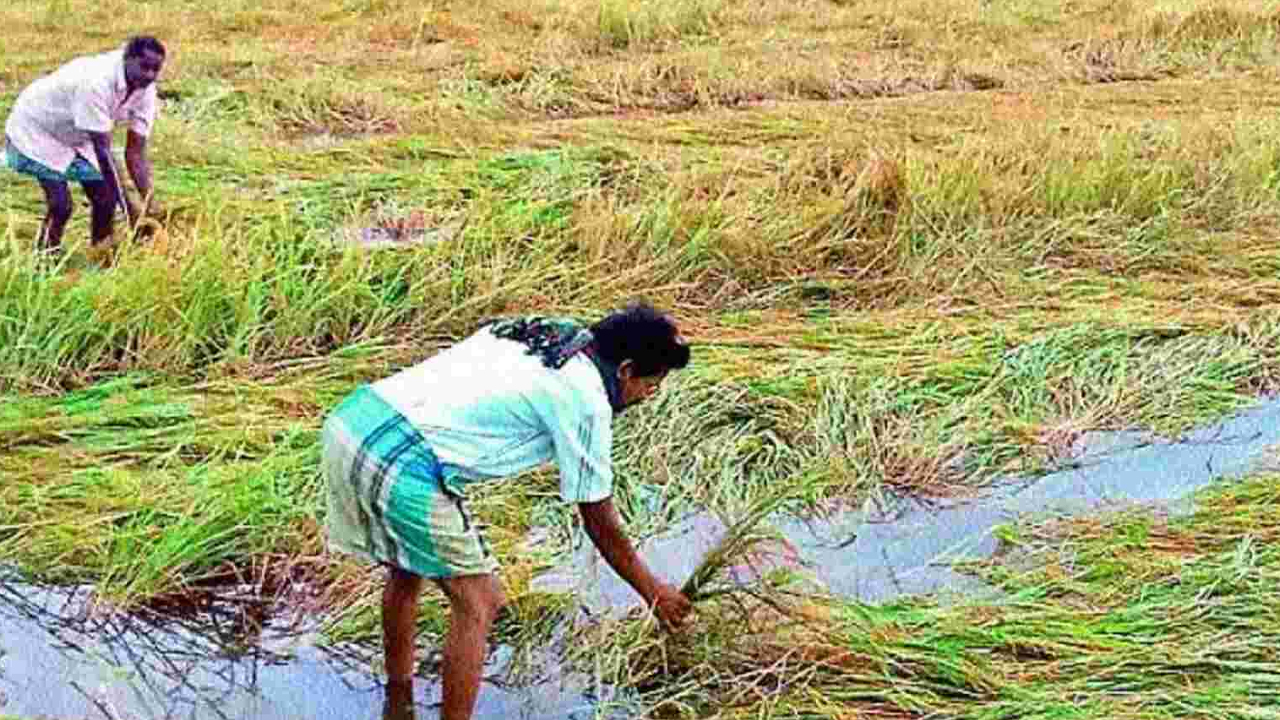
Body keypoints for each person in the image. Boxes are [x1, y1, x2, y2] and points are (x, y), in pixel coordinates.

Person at [322, 302, 694, 720]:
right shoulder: (587, 400)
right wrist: (652, 590)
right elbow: (598, 518)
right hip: (401, 460)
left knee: (406, 570)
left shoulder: (548, 334)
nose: (649, 396)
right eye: (652, 383)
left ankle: (398, 700)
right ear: (626, 371)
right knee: (479, 601)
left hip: (355, 422)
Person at [4, 36, 166, 257]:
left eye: (155, 70)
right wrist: (131, 212)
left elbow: (135, 153)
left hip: (77, 134)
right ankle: (43, 262)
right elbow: (104, 153)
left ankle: (101, 258)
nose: (149, 75)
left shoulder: (146, 90)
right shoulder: (96, 82)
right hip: (36, 130)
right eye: (144, 67)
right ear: (127, 58)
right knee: (61, 205)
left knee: (106, 198)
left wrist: (150, 204)